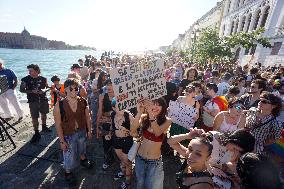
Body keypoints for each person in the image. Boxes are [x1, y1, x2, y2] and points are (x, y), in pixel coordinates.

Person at [53, 78, 93, 184]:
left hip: (82, 131)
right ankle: (68, 172)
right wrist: (62, 141)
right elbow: (58, 125)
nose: (74, 91)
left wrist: (89, 130)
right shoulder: (59, 105)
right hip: (68, 135)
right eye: (71, 89)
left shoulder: (83, 101)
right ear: (65, 89)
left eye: (76, 89)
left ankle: (83, 159)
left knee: (82, 147)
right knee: (69, 155)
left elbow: (87, 117)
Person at [132, 97, 172, 189]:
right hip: (139, 158)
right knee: (140, 183)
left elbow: (158, 133)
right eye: (153, 103)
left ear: (163, 107)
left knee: (152, 186)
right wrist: (139, 113)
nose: (155, 107)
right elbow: (132, 131)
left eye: (158, 105)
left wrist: (151, 115)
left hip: (154, 161)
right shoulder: (144, 117)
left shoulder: (168, 121)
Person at [20, 64, 51, 143]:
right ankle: (36, 132)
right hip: (33, 101)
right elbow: (21, 90)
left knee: (44, 114)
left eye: (31, 71)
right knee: (35, 117)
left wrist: (44, 90)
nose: (29, 72)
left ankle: (44, 127)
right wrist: (31, 91)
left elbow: (47, 87)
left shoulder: (43, 79)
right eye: (29, 71)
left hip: (43, 99)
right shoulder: (25, 79)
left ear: (37, 71)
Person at [111, 98, 135, 189]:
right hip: (116, 140)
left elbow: (136, 127)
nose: (122, 108)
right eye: (119, 106)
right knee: (122, 160)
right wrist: (110, 134)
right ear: (113, 108)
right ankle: (123, 172)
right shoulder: (112, 114)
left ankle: (128, 181)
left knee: (127, 162)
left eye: (123, 105)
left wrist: (129, 131)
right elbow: (112, 126)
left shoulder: (128, 115)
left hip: (127, 141)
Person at [96, 79, 115, 170]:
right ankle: (107, 159)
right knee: (106, 143)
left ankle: (120, 160)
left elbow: (124, 113)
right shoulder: (103, 96)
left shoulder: (121, 96)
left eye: (111, 84)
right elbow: (100, 112)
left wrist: (109, 115)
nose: (108, 87)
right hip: (106, 124)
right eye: (107, 84)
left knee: (117, 143)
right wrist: (97, 126)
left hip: (118, 124)